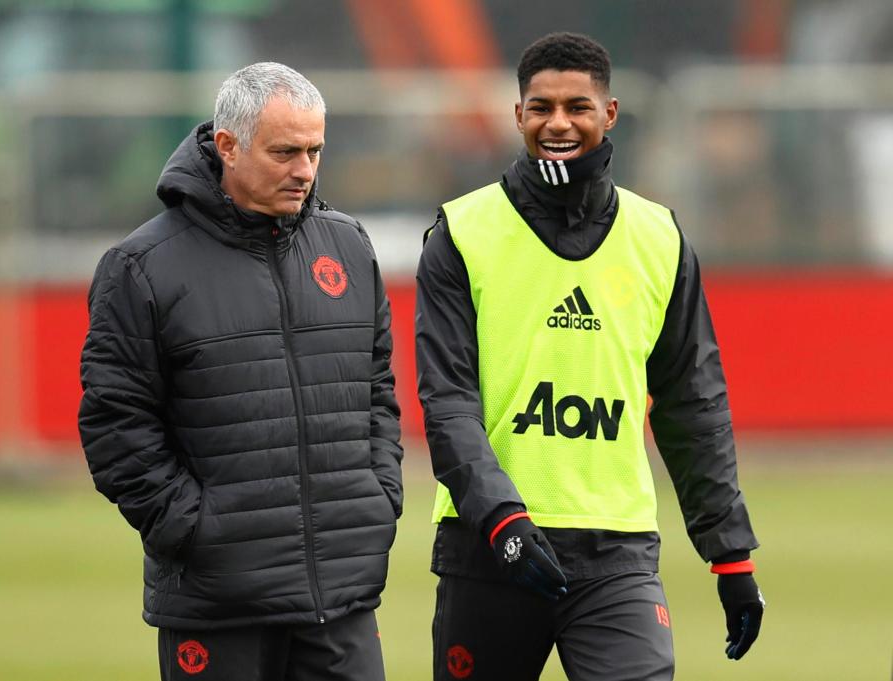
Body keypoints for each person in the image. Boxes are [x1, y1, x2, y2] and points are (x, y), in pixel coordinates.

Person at [416, 33, 764, 680]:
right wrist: (503, 519)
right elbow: (447, 402)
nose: (558, 122)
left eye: (578, 105)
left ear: (609, 113)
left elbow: (693, 400)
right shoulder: (462, 233)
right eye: (541, 106)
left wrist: (731, 554)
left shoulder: (659, 236)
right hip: (489, 548)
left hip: (616, 552)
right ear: (518, 115)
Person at [78, 62, 403, 681]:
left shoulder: (349, 247)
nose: (304, 169)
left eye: (314, 150)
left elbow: (377, 389)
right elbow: (115, 422)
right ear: (227, 146)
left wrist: (377, 496)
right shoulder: (141, 266)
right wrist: (193, 529)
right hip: (218, 600)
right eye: (285, 151)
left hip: (343, 595)